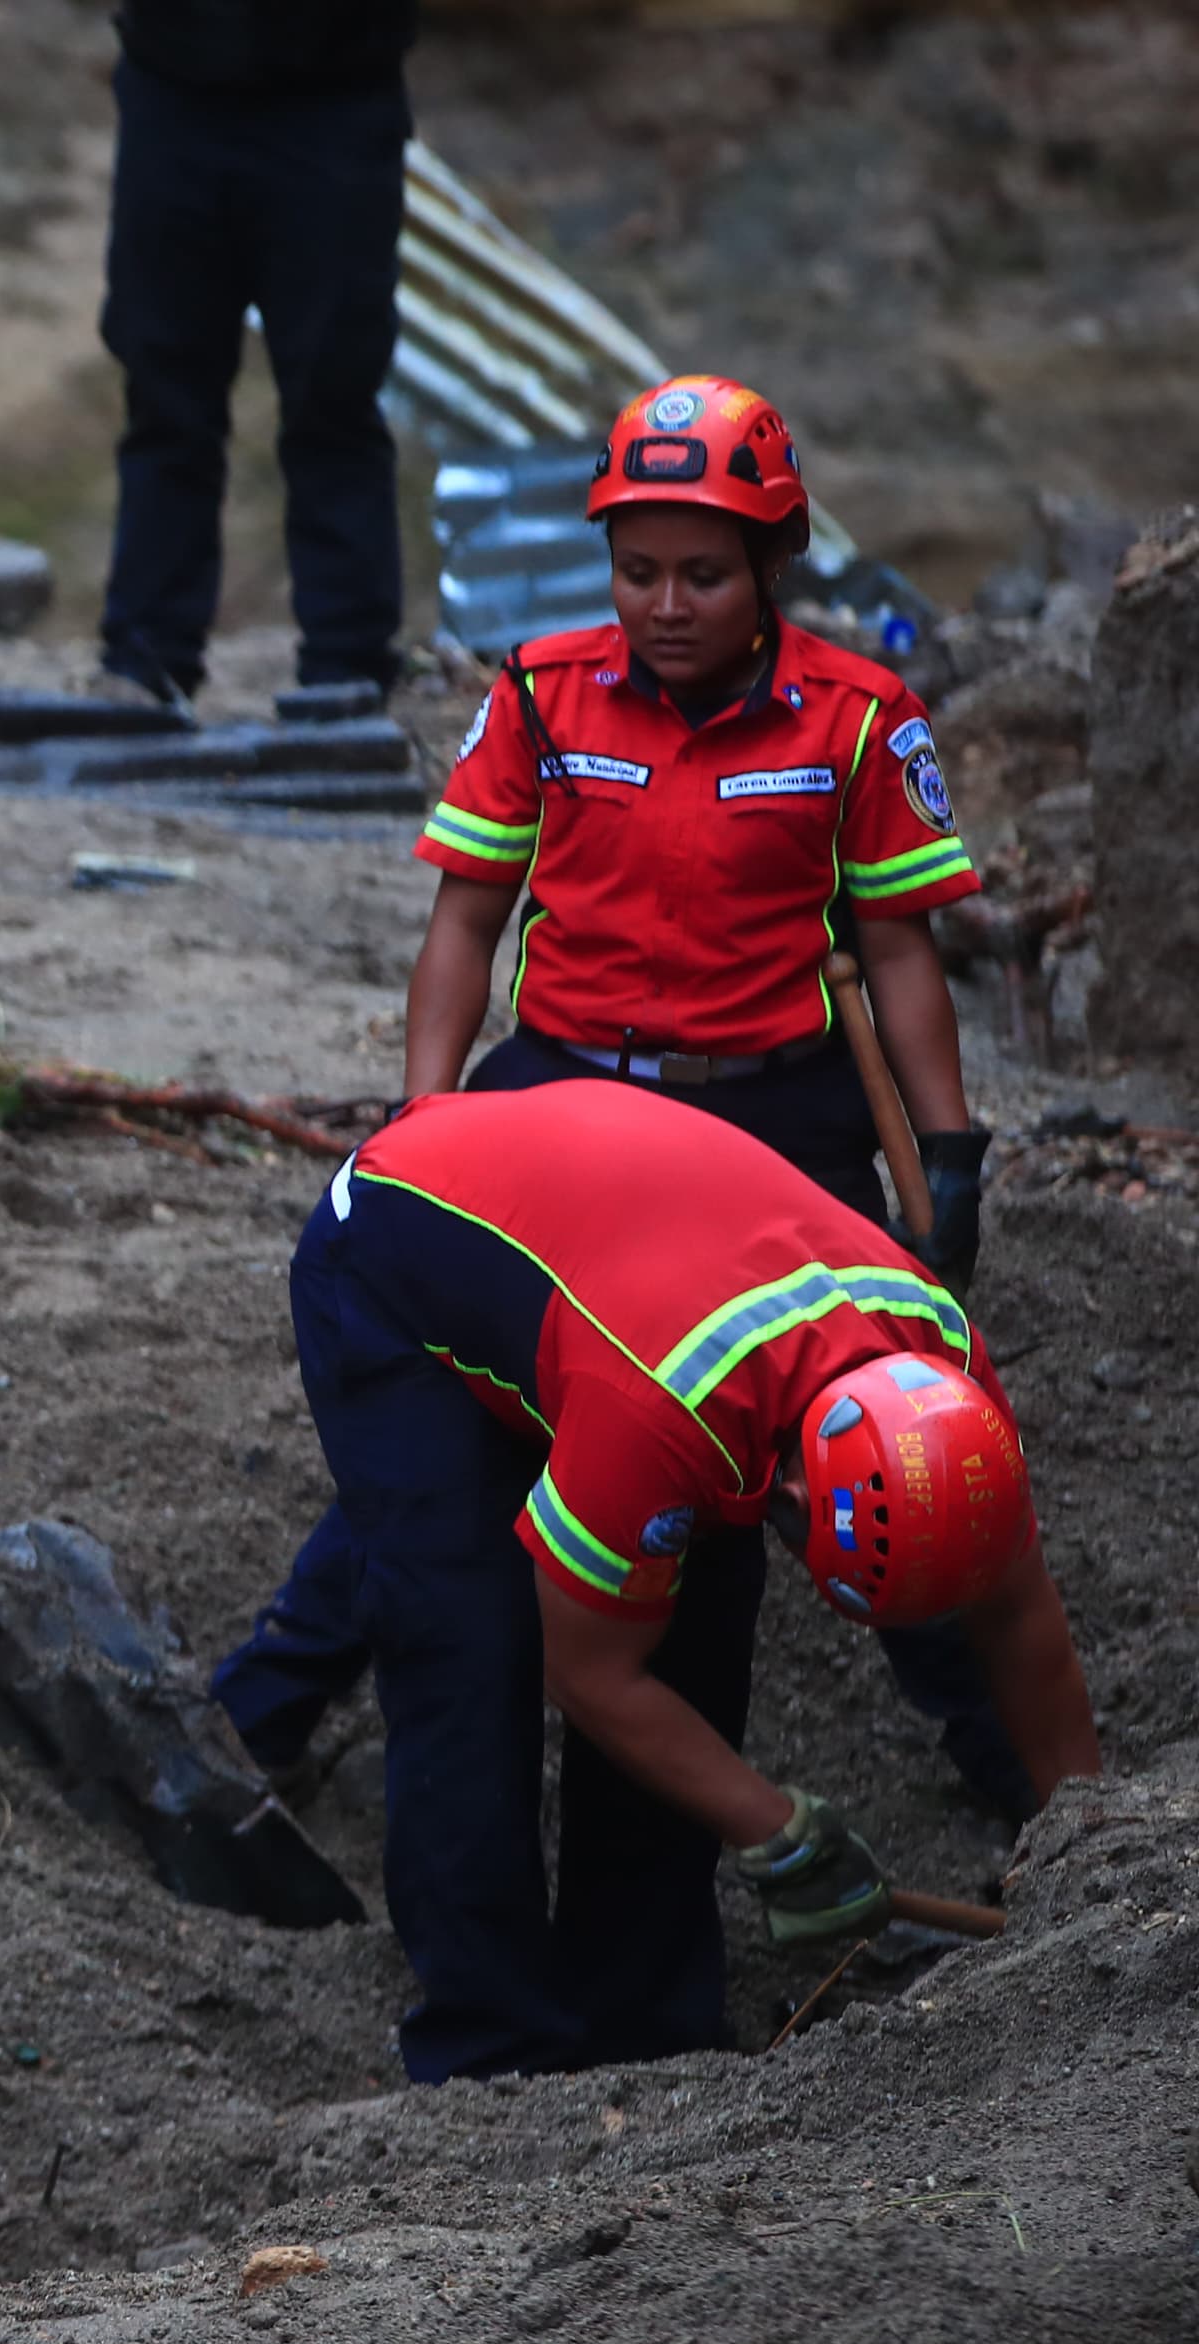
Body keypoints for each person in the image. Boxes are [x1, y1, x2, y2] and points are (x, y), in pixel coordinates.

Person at [214, 374, 1022, 1812]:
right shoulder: (537, 691)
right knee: (469, 1418)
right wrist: (425, 1113)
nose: (666, 602)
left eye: (705, 573)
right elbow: (465, 922)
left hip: (772, 1112)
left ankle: (1014, 1764)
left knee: (879, 1426)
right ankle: (262, 1718)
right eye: (637, 569)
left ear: (776, 563)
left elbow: (899, 951)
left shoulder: (858, 717)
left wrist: (945, 1147)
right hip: (565, 1098)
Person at [286, 1080, 1096, 2082]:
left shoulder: (949, 1382)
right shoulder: (661, 1406)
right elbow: (582, 1668)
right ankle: (485, 2046)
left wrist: (1085, 1849)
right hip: (396, 1248)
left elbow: (1018, 1621)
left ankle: (642, 2023)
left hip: (615, 1260)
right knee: (466, 1637)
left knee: (697, 1636)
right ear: (792, 1490)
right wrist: (772, 1827)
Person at [93, 0, 418, 711]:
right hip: (173, 88)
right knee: (164, 393)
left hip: (337, 97)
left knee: (334, 396)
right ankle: (144, 659)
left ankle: (348, 668)